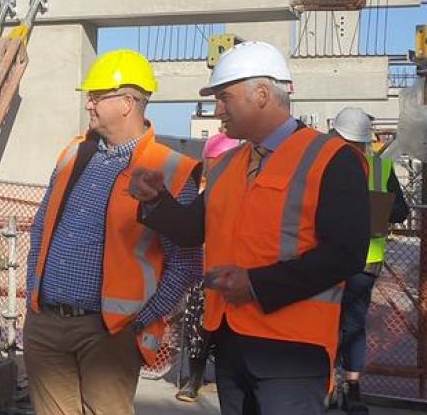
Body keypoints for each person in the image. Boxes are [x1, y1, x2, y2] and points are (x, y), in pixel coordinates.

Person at [129, 41, 370, 415]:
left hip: (292, 352)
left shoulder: (332, 158)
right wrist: (155, 200)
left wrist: (256, 284)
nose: (217, 110)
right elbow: (194, 230)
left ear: (261, 94)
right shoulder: (225, 164)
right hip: (230, 342)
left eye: (224, 98)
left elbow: (346, 253)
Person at [24, 49, 203, 415]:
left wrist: (136, 322)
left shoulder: (172, 168)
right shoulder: (73, 155)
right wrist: (33, 297)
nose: (88, 105)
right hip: (46, 323)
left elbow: (185, 263)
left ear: (126, 103)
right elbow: (41, 227)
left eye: (97, 96)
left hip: (110, 332)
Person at [330, 107, 410, 414]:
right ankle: (353, 391)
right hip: (366, 261)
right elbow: (401, 212)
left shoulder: (326, 164)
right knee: (354, 325)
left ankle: (327, 386)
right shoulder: (381, 168)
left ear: (336, 134)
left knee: (325, 321)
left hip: (329, 260)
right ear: (367, 139)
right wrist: (375, 207)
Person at [175, 129, 240, 403]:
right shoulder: (203, 192)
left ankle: (226, 376)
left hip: (231, 272)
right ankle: (195, 377)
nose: (214, 166)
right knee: (196, 325)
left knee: (227, 328)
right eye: (211, 161)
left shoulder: (243, 190)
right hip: (202, 270)